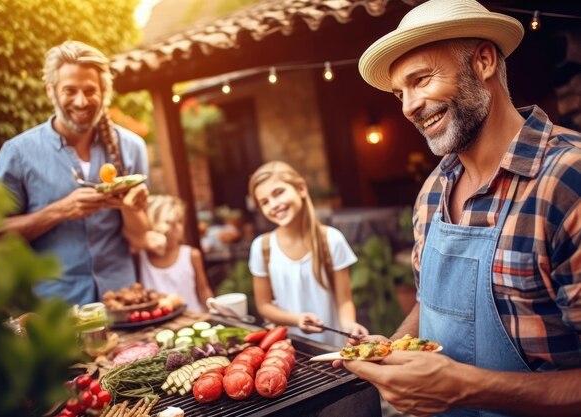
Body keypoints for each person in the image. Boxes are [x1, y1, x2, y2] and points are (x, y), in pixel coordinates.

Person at [337, 0, 581, 416]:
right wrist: (395, 346)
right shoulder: (432, 191)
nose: (408, 107)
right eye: (400, 92)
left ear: (484, 60)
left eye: (422, 80)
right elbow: (428, 303)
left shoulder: (567, 180)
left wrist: (466, 389)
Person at [0, 40, 149, 306]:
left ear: (104, 92)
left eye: (90, 91)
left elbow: (140, 238)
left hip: (123, 303)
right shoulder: (17, 153)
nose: (81, 101)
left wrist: (131, 208)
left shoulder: (131, 147)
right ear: (50, 91)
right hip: (53, 314)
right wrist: (60, 210)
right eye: (70, 90)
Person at [248, 161, 368, 347]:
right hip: (288, 349)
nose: (274, 205)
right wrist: (296, 319)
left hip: (333, 346)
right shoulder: (261, 247)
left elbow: (344, 300)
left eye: (278, 193)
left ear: (301, 189)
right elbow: (264, 306)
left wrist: (349, 325)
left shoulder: (331, 240)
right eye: (264, 202)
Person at [132, 195, 214, 312]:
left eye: (180, 221)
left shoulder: (191, 255)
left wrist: (213, 312)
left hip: (193, 320)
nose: (178, 228)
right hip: (158, 325)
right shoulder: (141, 257)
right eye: (173, 223)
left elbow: (203, 290)